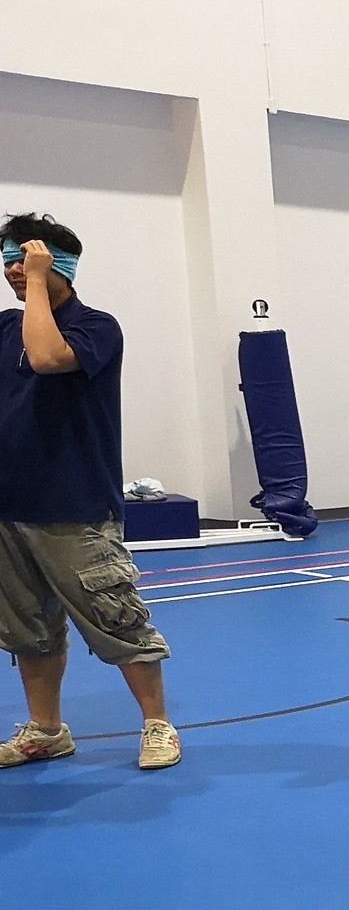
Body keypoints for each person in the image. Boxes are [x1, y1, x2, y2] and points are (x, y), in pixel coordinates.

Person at [0, 213, 179, 772]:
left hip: (74, 506)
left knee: (118, 620)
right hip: (9, 506)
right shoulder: (4, 327)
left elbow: (47, 358)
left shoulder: (97, 327)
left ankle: (157, 724)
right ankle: (46, 731)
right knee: (28, 630)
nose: (11, 271)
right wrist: (29, 286)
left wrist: (36, 283)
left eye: (21, 259)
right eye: (6, 261)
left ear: (56, 263)